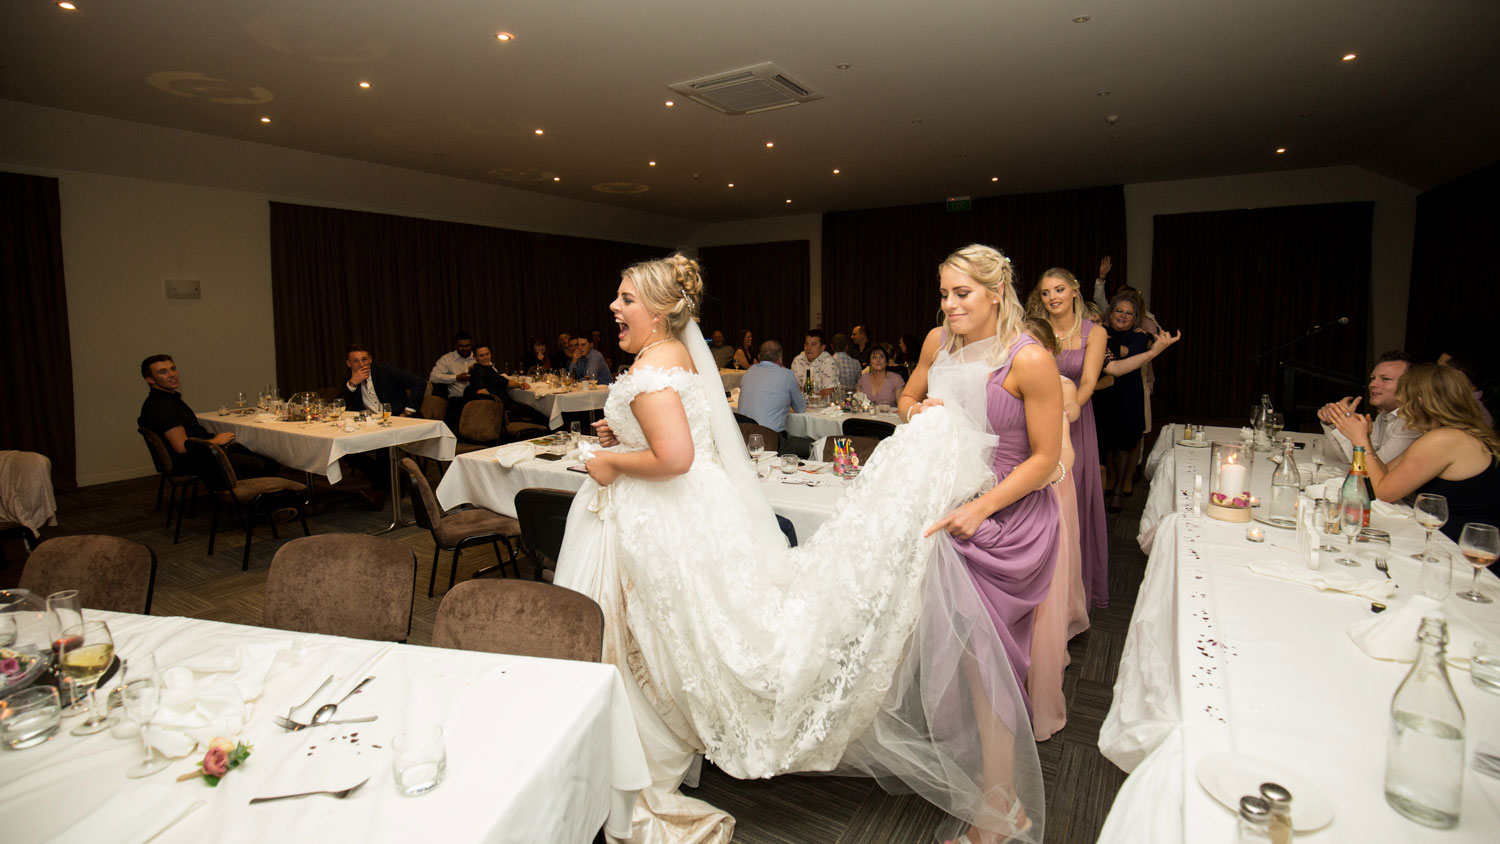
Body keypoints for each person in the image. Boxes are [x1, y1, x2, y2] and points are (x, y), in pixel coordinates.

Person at [555, 253, 1045, 844]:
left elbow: (1052, 457)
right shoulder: (941, 342)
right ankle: (994, 797)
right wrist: (925, 413)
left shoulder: (1030, 356)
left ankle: (1001, 805)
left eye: (962, 293)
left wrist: (980, 506)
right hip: (947, 510)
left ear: (998, 290)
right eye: (943, 293)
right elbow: (910, 402)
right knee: (952, 653)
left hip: (1000, 517)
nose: (949, 305)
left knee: (989, 663)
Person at [1330, 364, 1500, 565]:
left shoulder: (1445, 439)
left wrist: (1360, 441)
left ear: (1418, 402)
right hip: (1444, 542)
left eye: (1404, 402)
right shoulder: (1446, 433)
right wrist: (1366, 440)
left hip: (1461, 550)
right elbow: (1384, 473)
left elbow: (1384, 491)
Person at [1017, 318, 1089, 741]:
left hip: (1050, 488)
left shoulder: (1057, 384)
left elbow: (1065, 444)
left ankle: (1038, 680)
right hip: (1022, 484)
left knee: (1047, 587)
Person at [1027, 267, 1110, 611]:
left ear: (1075, 290)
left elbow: (1090, 380)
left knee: (1070, 502)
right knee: (1038, 503)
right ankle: (1039, 593)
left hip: (1074, 420)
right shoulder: (1032, 329)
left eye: (1059, 289)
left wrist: (1070, 405)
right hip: (1033, 421)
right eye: (1046, 293)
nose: (1053, 298)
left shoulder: (1095, 333)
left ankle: (1071, 599)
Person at [1092, 294, 1181, 512]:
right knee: (1104, 444)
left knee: (1124, 445)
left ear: (1135, 318)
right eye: (1118, 311)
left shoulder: (1140, 337)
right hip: (1101, 396)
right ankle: (1109, 484)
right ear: (1110, 312)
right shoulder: (1101, 332)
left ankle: (1120, 491)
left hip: (1127, 397)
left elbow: (1122, 353)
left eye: (1128, 313)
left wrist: (1103, 345)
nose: (1122, 316)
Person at [137, 355, 280, 479]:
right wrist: (215, 441)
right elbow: (182, 447)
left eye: (173, 369)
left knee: (261, 454)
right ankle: (252, 501)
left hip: (200, 452)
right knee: (265, 463)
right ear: (150, 379)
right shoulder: (162, 406)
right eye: (163, 372)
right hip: (196, 459)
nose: (172, 374)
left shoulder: (166, 399)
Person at [1316, 350, 1419, 473]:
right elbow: (1351, 458)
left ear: (1410, 385)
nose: (1373, 384)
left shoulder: (1412, 421)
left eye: (1385, 379)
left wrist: (1343, 420)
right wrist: (1335, 421)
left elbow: (1374, 469)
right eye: (1373, 378)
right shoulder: (1384, 415)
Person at [735, 340, 806, 435]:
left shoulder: (748, 372)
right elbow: (801, 408)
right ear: (780, 359)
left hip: (743, 436)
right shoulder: (786, 375)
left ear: (759, 357)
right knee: (809, 443)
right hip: (770, 438)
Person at [790, 329, 837, 397]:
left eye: (813, 344)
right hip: (801, 405)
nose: (808, 348)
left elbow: (828, 394)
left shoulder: (828, 362)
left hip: (823, 406)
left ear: (822, 347)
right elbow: (792, 389)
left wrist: (804, 395)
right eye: (806, 344)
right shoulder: (798, 360)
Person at [429, 330, 475, 399]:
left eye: (467, 346)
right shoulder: (447, 359)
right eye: (461, 346)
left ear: (471, 344)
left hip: (476, 398)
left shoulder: (478, 357)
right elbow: (433, 377)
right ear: (455, 345)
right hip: (456, 399)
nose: (465, 349)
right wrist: (456, 378)